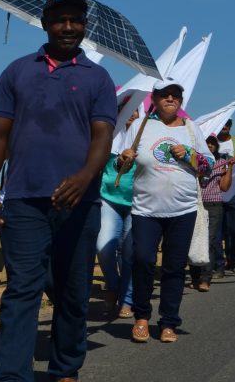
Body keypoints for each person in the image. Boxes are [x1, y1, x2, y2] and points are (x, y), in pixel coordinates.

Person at [0, 0, 117, 381]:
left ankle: (65, 369)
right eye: (60, 19)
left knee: (73, 292)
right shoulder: (17, 71)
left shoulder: (99, 78)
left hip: (80, 201)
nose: (68, 27)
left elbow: (102, 135)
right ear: (45, 24)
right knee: (22, 290)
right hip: (24, 199)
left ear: (85, 27)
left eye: (76, 20)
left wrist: (85, 176)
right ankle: (13, 375)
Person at [117, 80, 215, 344]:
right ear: (155, 99)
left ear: (181, 101)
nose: (171, 98)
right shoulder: (140, 126)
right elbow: (121, 166)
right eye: (164, 95)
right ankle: (141, 317)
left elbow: (208, 165)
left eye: (176, 95)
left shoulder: (191, 129)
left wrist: (189, 154)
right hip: (145, 210)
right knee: (143, 260)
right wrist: (122, 159)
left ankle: (169, 322)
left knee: (173, 267)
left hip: (182, 210)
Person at [97, 109, 138, 320]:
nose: (132, 114)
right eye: (127, 110)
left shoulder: (145, 134)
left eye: (136, 110)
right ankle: (114, 286)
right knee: (103, 247)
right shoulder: (109, 133)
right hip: (108, 199)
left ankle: (127, 300)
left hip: (137, 202)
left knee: (129, 253)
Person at [188, 136, 235, 291]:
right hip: (196, 204)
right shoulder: (195, 162)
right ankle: (195, 276)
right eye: (207, 143)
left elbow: (225, 187)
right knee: (194, 240)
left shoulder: (221, 163)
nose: (209, 146)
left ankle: (205, 279)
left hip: (214, 205)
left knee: (209, 241)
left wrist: (229, 170)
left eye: (212, 144)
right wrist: (200, 172)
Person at [215, 119, 235, 272]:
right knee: (216, 232)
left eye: (228, 124)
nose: (225, 126)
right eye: (222, 124)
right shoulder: (210, 142)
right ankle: (218, 265)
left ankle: (234, 259)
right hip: (214, 192)